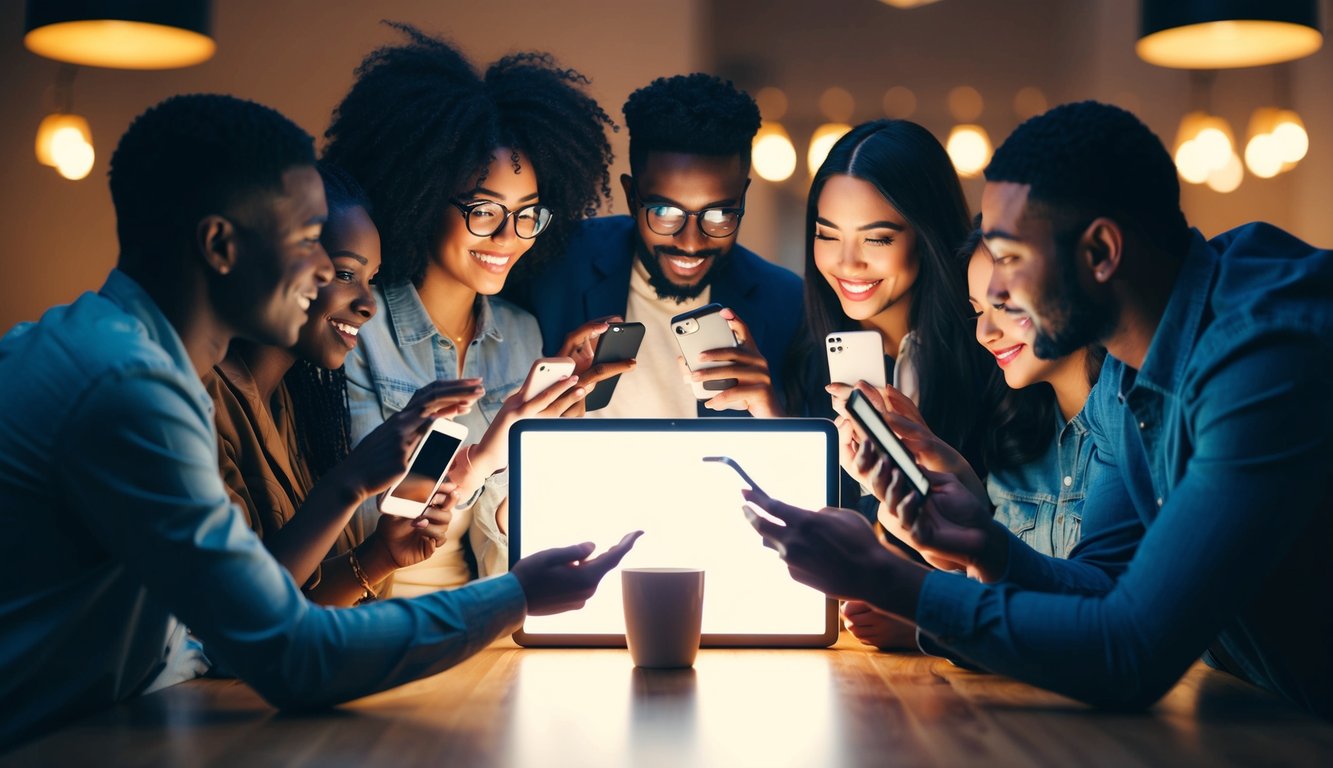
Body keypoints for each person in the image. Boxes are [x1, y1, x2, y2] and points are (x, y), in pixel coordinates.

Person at [0, 93, 639, 749]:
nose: (324, 272)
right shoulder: (128, 388)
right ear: (219, 244)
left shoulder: (116, 351)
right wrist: (516, 596)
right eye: (309, 242)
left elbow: (227, 631)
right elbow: (290, 653)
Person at [743, 101, 1333, 719]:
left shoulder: (1262, 359)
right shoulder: (1130, 367)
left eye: (1010, 259)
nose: (992, 302)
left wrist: (889, 581)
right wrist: (983, 544)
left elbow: (1132, 653)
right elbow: (1105, 587)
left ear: (1101, 252)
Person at [323, 25, 623, 596]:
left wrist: (549, 443)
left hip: (480, 624)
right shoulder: (358, 331)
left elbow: (506, 557)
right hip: (373, 620)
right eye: (484, 211)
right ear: (421, 194)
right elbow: (360, 532)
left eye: (527, 213)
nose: (508, 236)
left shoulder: (519, 332)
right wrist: (485, 455)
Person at [207, 161, 482, 606]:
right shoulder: (202, 401)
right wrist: (350, 482)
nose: (368, 304)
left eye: (371, 280)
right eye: (345, 274)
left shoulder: (296, 408)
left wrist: (381, 554)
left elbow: (301, 610)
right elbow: (238, 615)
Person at [841, 227, 1105, 649]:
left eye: (1005, 305)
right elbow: (992, 579)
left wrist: (927, 619)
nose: (985, 333)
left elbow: (1105, 615)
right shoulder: (1015, 440)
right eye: (977, 310)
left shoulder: (1129, 432)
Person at [506, 73, 804, 418]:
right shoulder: (552, 265)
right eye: (664, 212)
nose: (691, 242)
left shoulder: (788, 304)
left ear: (743, 198)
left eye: (719, 213)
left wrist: (774, 416)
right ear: (632, 197)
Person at [798, 120, 994, 474]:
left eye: (876, 239)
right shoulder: (802, 361)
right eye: (827, 235)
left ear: (926, 236)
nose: (847, 263)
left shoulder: (990, 352)